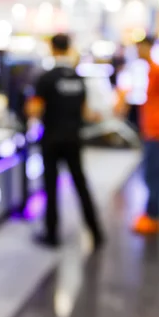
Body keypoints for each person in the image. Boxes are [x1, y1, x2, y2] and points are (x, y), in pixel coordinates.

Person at [25, 33, 104, 248]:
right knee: (80, 184)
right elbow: (87, 112)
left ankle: (52, 235)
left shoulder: (45, 78)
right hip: (74, 139)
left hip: (51, 139)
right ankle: (96, 232)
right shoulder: (78, 78)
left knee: (51, 187)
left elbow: (34, 110)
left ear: (52, 48)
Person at [126, 36, 159, 235]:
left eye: (140, 48)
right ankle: (151, 212)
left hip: (158, 131)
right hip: (151, 130)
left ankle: (153, 215)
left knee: (153, 173)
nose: (138, 51)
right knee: (150, 172)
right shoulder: (149, 72)